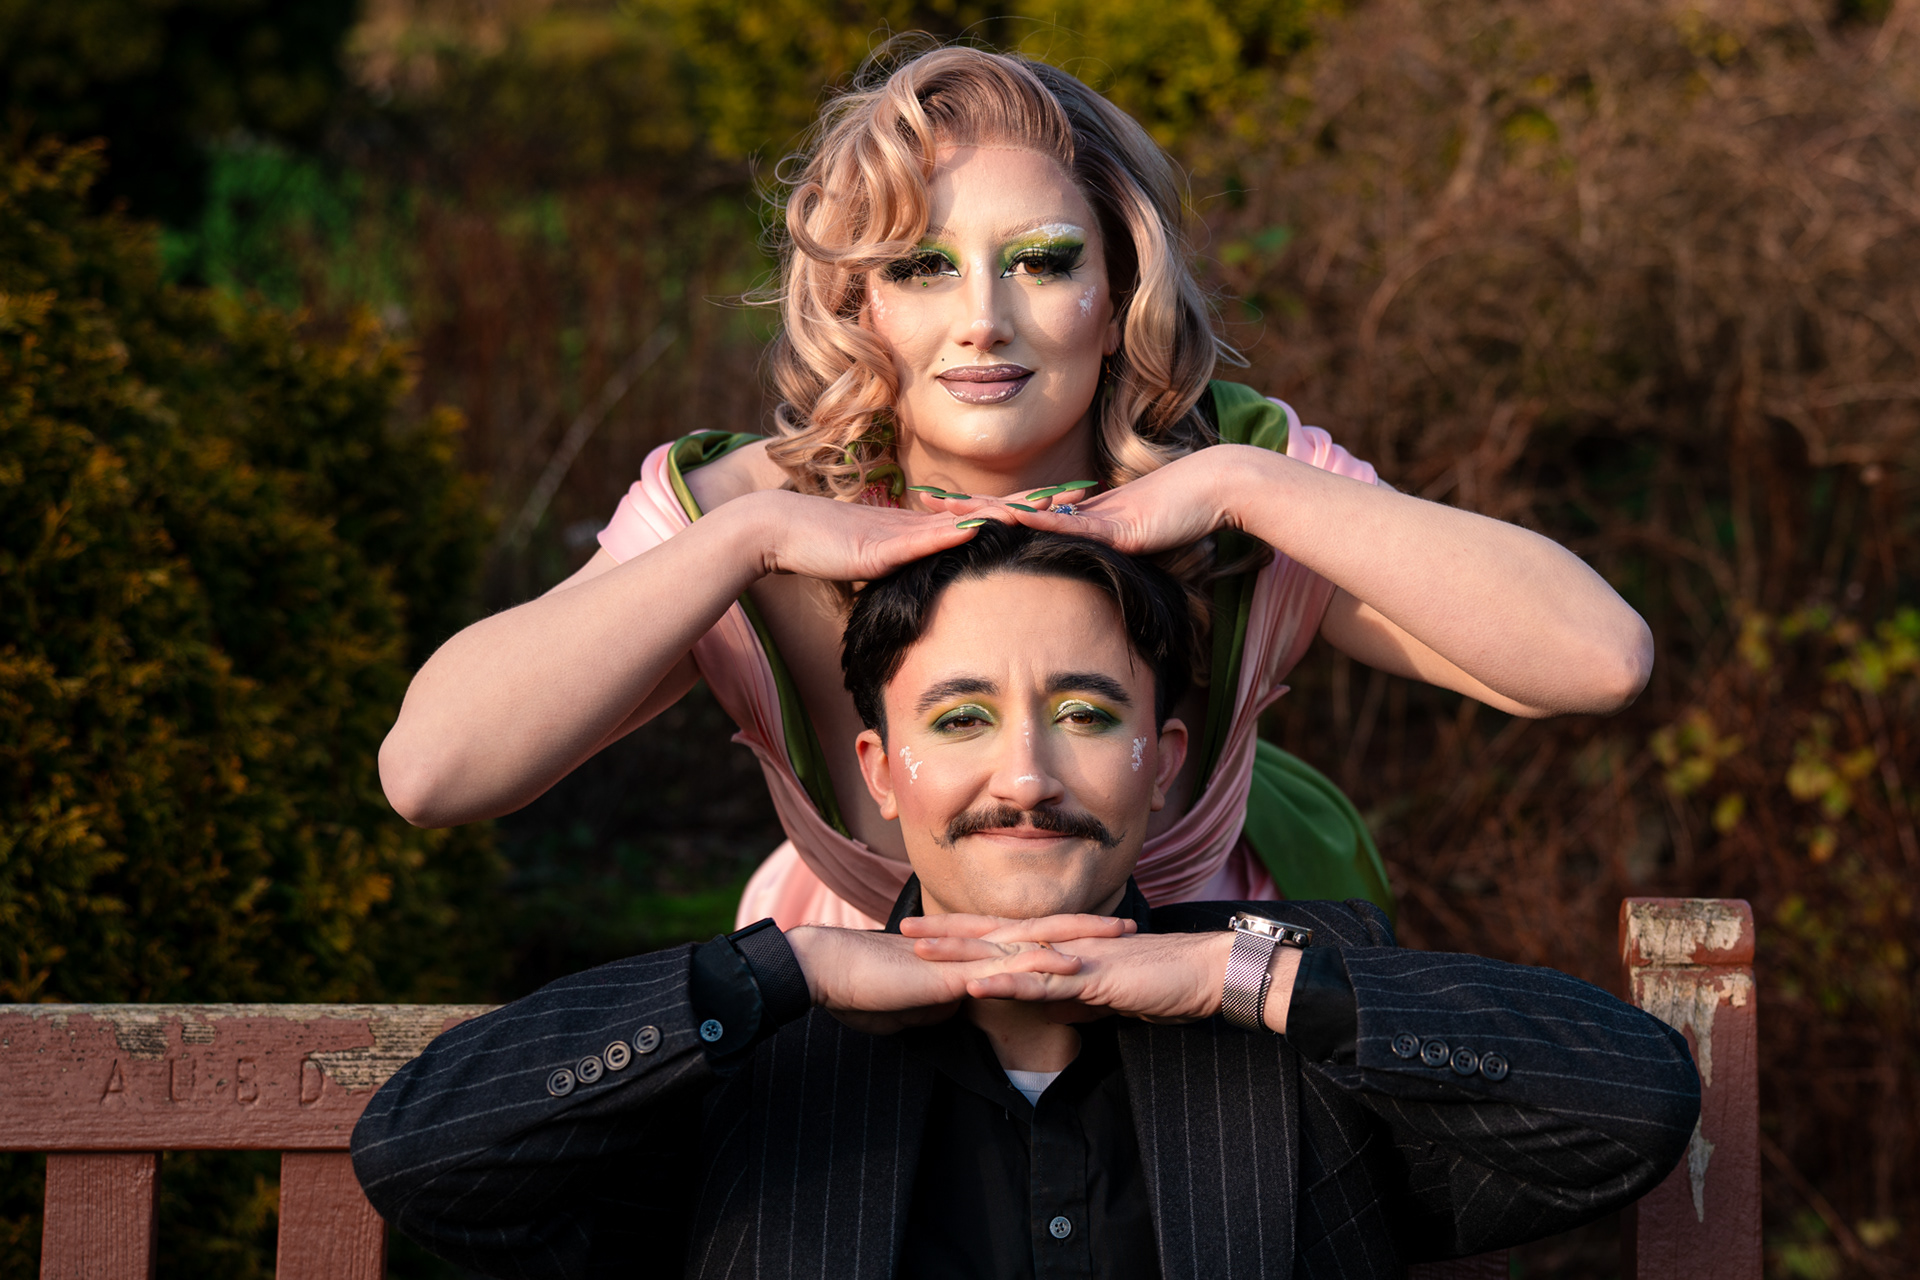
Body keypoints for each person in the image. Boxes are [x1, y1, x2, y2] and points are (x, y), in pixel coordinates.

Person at [376, 43, 1654, 930]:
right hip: (874, 1068)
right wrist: (753, 537)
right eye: (923, 268)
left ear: (1118, 292)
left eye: (1041, 260)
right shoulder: (735, 514)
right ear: (855, 301)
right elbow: (432, 772)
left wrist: (1249, 490)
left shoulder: (1240, 484)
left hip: (1201, 1073)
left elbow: (1596, 658)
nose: (983, 322)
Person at [353, 525, 1697, 1279]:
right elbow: (424, 1158)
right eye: (962, 717)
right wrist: (778, 979)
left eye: (1085, 715)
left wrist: (1247, 980)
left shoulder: (1297, 1018)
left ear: (1166, 768)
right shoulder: (757, 1052)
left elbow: (1631, 1105)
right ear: (881, 774)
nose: (1028, 776)